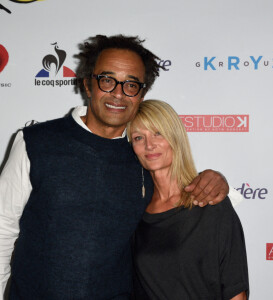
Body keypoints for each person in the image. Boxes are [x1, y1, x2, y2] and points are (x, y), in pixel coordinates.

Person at [0, 35, 240, 299]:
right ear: (88, 85)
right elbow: (2, 228)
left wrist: (215, 178)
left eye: (131, 84)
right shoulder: (35, 142)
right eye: (107, 80)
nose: (118, 93)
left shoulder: (143, 153)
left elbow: (178, 193)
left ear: (142, 93)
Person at [127, 100, 249, 299]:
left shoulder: (211, 203)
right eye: (139, 137)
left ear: (175, 137)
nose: (149, 145)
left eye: (158, 133)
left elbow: (235, 291)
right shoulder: (134, 211)